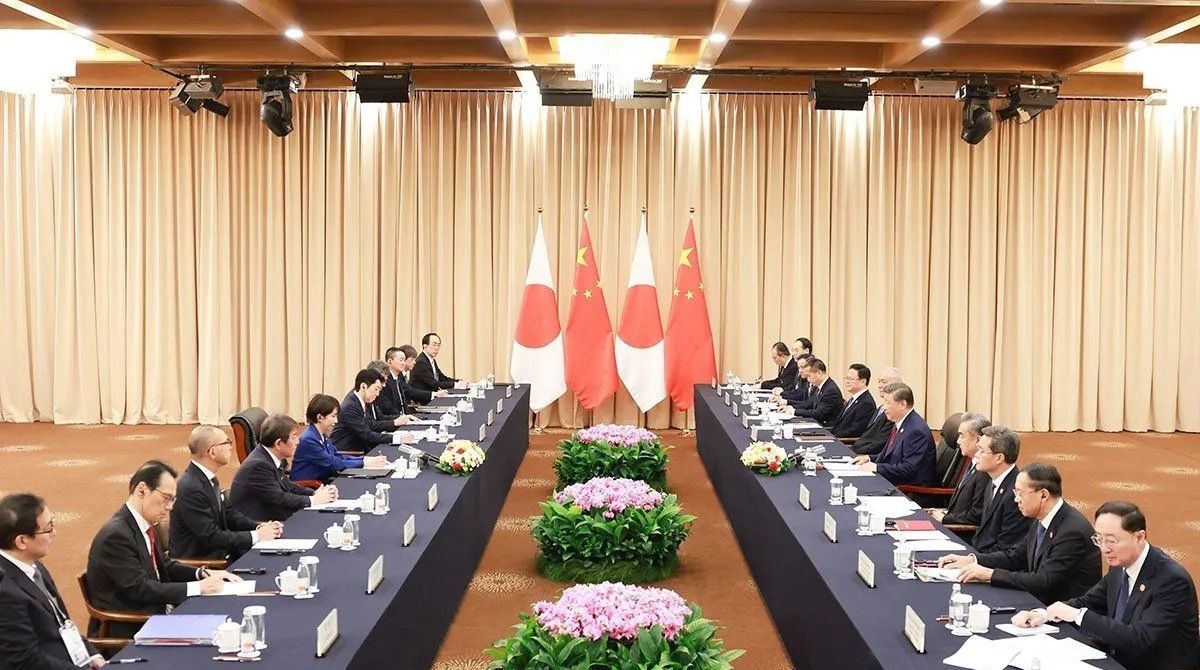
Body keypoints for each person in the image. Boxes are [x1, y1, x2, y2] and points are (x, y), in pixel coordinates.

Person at [1010, 501, 1200, 670]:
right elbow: (1089, 601)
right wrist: (1044, 614)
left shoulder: (1172, 581)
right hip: (1117, 657)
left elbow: (1140, 638)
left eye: (1112, 540)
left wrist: (1078, 615)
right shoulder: (1120, 565)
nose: (1104, 549)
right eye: (1099, 539)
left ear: (1140, 537)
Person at [86, 461, 239, 637]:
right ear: (141, 490)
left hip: (160, 612)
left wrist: (203, 573)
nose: (170, 507)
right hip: (135, 625)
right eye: (166, 498)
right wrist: (198, 587)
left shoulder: (141, 524)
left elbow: (162, 565)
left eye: (173, 500)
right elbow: (140, 589)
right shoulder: (115, 536)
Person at [937, 462, 1100, 604]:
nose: (1016, 500)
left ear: (1043, 495)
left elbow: (1044, 580)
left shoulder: (1072, 531)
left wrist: (990, 574)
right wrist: (972, 559)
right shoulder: (1041, 518)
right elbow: (1016, 556)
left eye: (1020, 493)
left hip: (1060, 612)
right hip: (1038, 600)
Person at [0, 493, 106, 669]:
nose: (54, 533)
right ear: (22, 541)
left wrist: (91, 654)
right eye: (48, 528)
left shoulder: (35, 565)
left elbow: (62, 622)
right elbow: (24, 660)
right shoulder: (5, 591)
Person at [169, 426, 283, 561]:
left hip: (222, 550)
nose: (230, 447)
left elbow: (230, 513)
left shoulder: (206, 478)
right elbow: (211, 536)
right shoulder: (190, 488)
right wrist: (256, 536)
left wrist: (259, 526)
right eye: (226, 442)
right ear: (212, 452)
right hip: (206, 561)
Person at [229, 415, 338, 521]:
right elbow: (279, 498)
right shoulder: (258, 465)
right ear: (278, 443)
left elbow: (288, 486)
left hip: (275, 515)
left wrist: (315, 492)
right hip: (262, 524)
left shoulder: (269, 456)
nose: (298, 442)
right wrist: (315, 500)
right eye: (294, 437)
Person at [961, 424, 1031, 553]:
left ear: (999, 458)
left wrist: (973, 560)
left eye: (982, 451)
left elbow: (1007, 547)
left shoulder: (1015, 494)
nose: (977, 455)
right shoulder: (993, 480)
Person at [851, 383, 936, 487]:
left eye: (888, 403)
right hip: (895, 482)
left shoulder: (916, 431)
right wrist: (869, 458)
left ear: (902, 405)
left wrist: (876, 467)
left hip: (910, 491)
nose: (884, 408)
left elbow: (908, 469)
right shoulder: (900, 423)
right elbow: (892, 456)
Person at [292, 394, 391, 483]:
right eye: (333, 416)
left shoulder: (322, 435)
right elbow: (333, 463)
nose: (336, 421)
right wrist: (364, 462)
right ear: (320, 417)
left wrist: (365, 459)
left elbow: (337, 456)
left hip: (324, 479)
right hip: (309, 485)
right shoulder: (309, 439)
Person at [330, 369, 419, 454]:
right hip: (350, 453)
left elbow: (371, 424)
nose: (377, 394)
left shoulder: (360, 400)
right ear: (363, 386)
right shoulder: (350, 407)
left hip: (363, 448)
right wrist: (397, 438)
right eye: (376, 389)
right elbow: (367, 434)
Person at [927, 412, 990, 526]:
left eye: (962, 435)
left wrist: (945, 519)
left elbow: (976, 515)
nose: (958, 441)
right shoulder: (973, 462)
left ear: (978, 439)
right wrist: (944, 513)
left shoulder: (984, 470)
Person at [848, 367, 902, 456]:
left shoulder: (894, 413)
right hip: (858, 449)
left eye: (884, 382)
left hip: (866, 455)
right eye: (879, 381)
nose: (880, 385)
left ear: (897, 385)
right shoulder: (881, 407)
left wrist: (852, 452)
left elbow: (879, 444)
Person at [788, 358, 842, 424]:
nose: (808, 380)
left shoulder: (830, 390)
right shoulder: (819, 386)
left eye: (809, 376)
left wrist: (794, 411)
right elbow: (809, 404)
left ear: (819, 373)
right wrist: (790, 408)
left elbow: (819, 414)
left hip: (826, 428)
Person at [829, 364, 875, 438]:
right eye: (846, 378)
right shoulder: (853, 399)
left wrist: (833, 437)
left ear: (863, 381)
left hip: (844, 442)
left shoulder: (866, 403)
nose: (847, 381)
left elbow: (855, 430)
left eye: (850, 379)